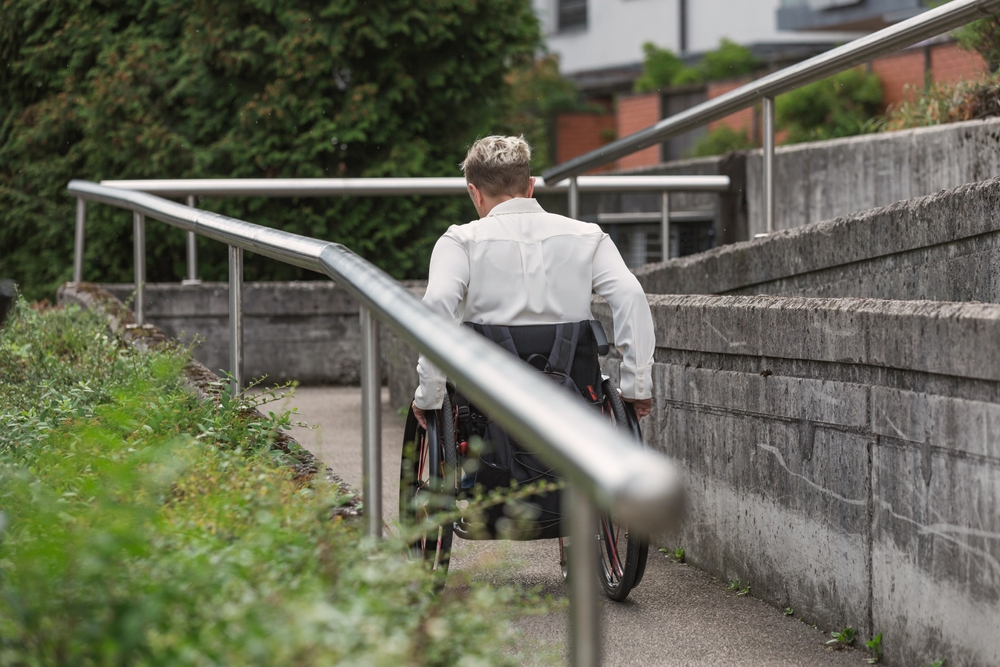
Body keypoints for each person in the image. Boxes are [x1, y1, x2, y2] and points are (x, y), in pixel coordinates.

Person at [411, 135, 654, 429]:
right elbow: (631, 296)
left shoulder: (460, 242)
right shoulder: (588, 236)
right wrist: (636, 387)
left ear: (475, 192)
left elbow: (437, 306)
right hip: (574, 400)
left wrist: (430, 393)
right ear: (530, 186)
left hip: (486, 407)